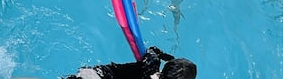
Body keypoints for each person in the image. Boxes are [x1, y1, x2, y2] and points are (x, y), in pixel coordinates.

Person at [62, 46, 197, 79]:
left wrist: (161, 55)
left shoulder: (151, 63)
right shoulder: (150, 66)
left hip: (96, 74)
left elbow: (151, 50)